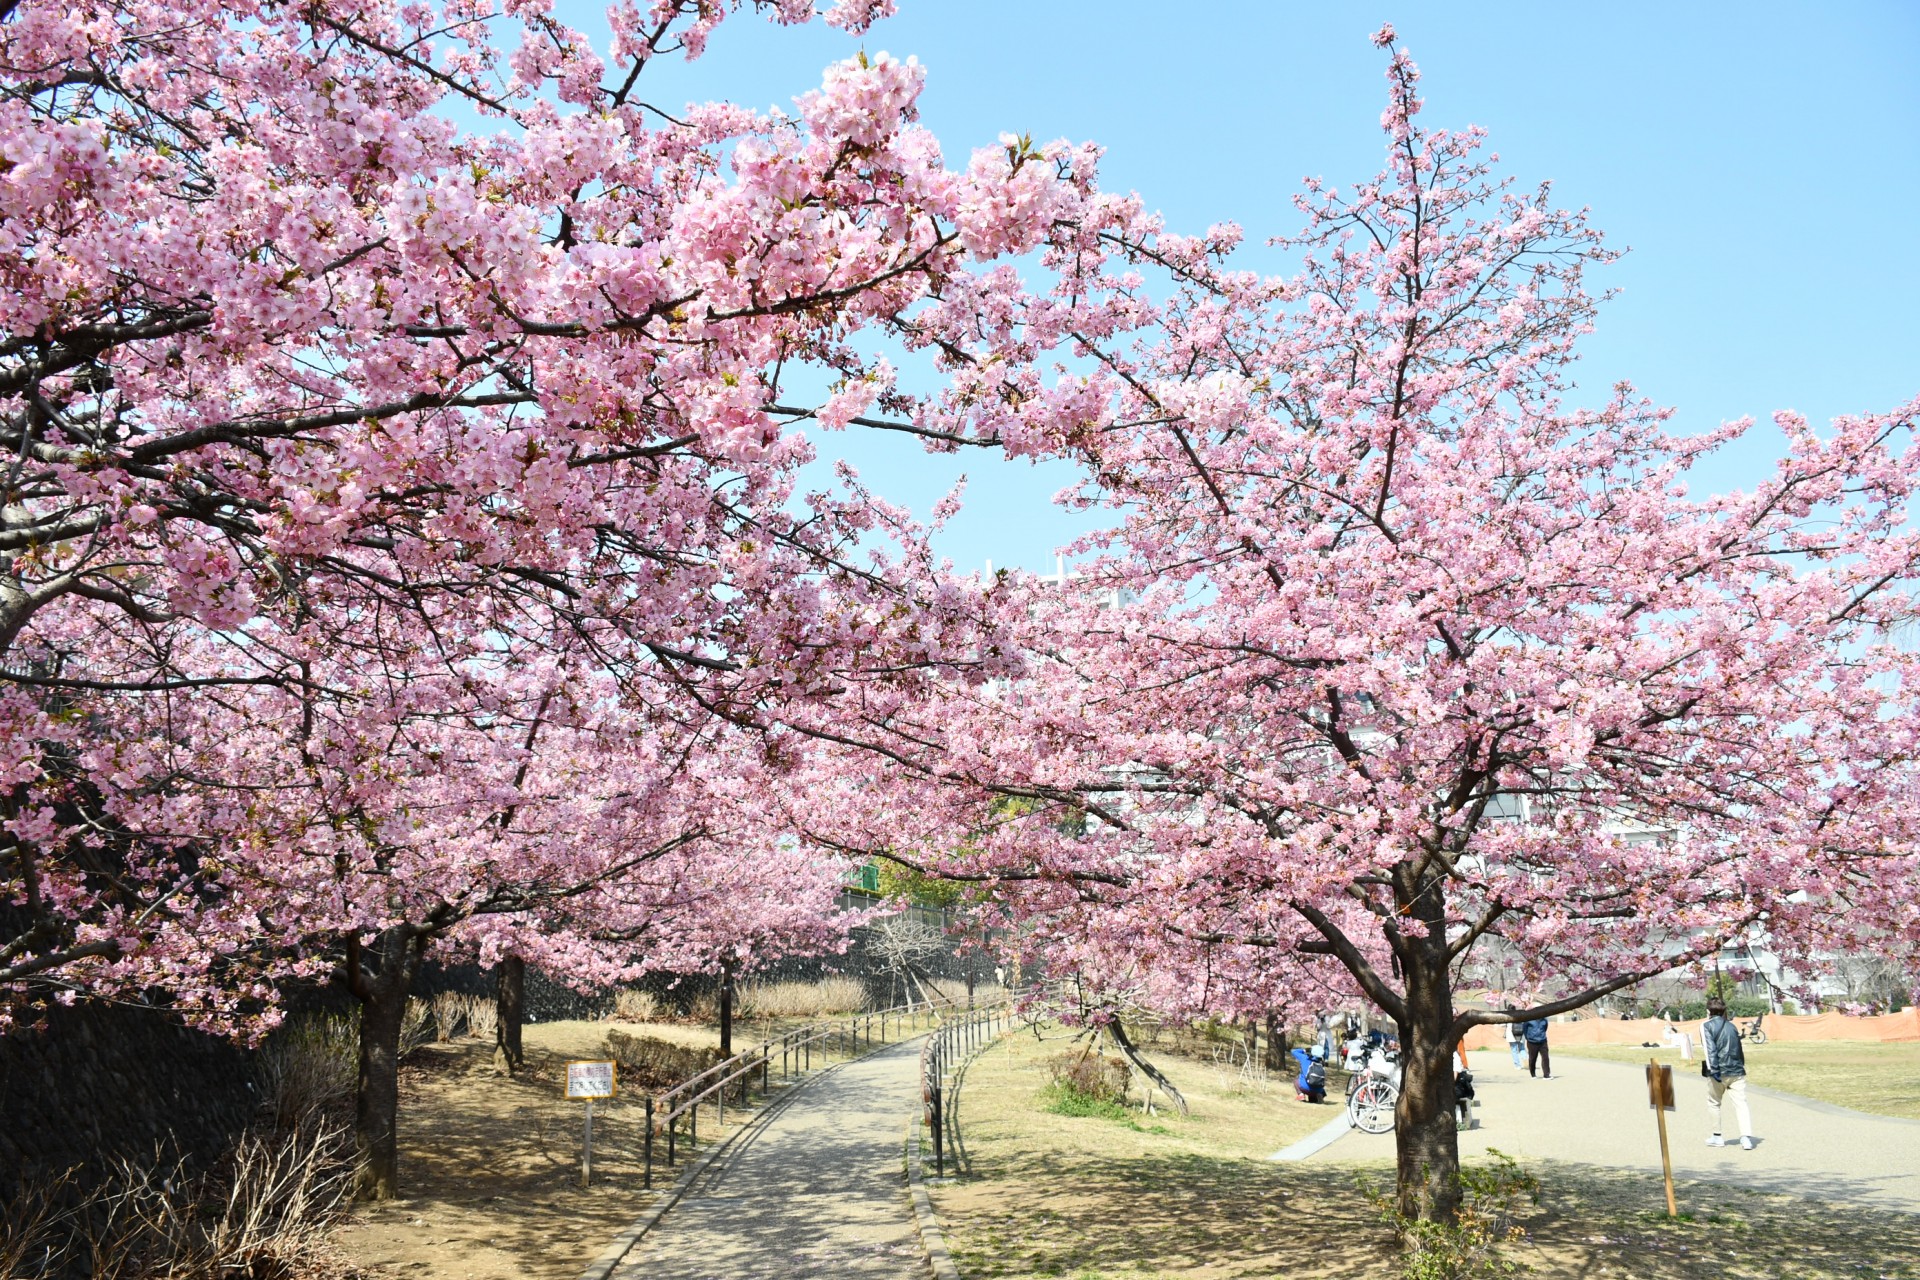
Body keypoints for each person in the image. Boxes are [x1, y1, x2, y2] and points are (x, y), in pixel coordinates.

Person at [1701, 996, 1756, 1150]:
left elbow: (1709, 1050)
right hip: (1737, 1070)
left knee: (1714, 1103)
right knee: (1741, 1104)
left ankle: (1717, 1136)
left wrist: (1714, 1070)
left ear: (1708, 1011)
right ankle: (1746, 1138)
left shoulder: (1706, 1026)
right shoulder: (1732, 1026)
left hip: (1718, 1071)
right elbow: (1739, 1048)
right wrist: (1740, 1066)